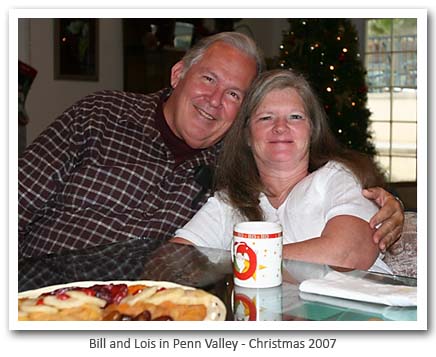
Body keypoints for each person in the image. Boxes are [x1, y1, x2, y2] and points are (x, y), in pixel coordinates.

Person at [18, 32, 403, 260]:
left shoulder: (235, 160)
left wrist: (389, 202)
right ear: (178, 73)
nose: (215, 101)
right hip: (39, 285)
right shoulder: (101, 114)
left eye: (234, 93)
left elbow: (305, 161)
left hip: (152, 309)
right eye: (208, 79)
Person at [172, 69, 396, 273]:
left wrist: (238, 265)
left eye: (295, 117)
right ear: (247, 136)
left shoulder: (338, 178)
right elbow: (173, 261)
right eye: (266, 118)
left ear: (312, 131)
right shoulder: (229, 202)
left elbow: (346, 256)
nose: (280, 127)